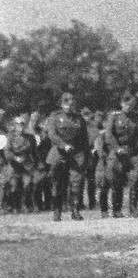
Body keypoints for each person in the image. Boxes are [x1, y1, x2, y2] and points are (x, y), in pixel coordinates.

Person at [43, 91, 91, 221]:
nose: (69, 106)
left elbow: (84, 138)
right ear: (61, 104)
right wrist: (63, 145)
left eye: (71, 103)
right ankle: (57, 211)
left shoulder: (79, 118)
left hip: (76, 154)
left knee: (76, 182)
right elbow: (52, 134)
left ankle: (75, 210)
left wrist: (87, 155)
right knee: (57, 183)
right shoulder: (54, 117)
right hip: (59, 153)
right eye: (66, 103)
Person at [103, 91, 138, 218]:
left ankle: (133, 209)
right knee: (116, 181)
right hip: (118, 153)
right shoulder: (114, 116)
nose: (129, 107)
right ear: (122, 104)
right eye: (127, 104)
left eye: (132, 104)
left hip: (133, 152)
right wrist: (117, 148)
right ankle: (117, 210)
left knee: (135, 180)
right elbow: (109, 135)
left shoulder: (136, 117)